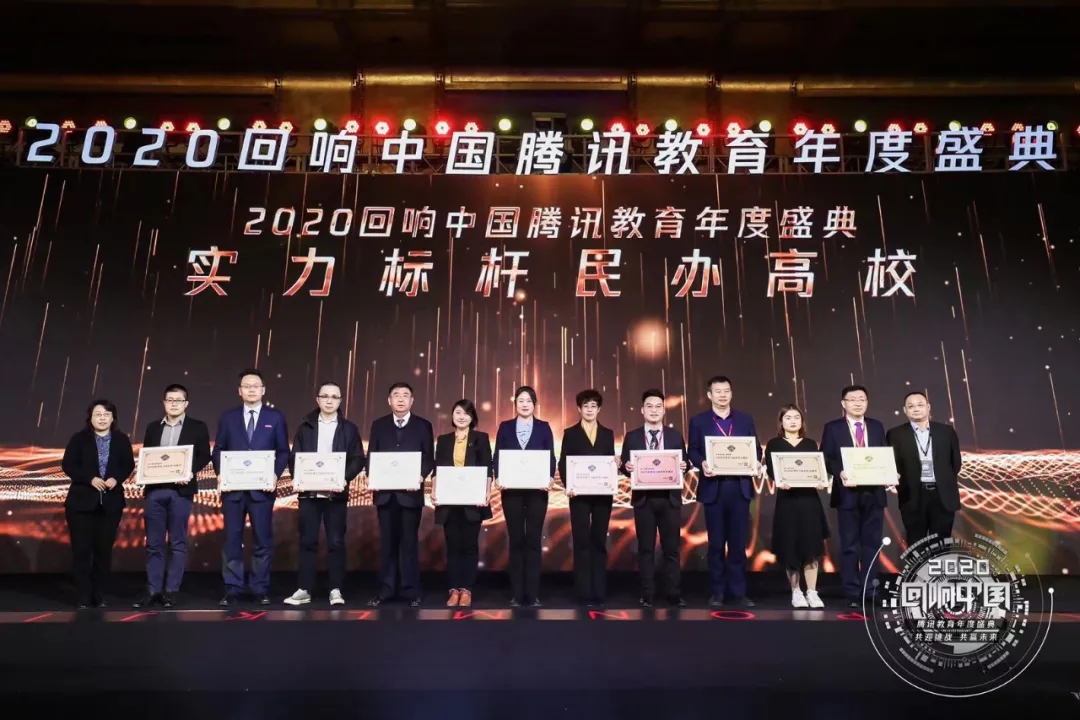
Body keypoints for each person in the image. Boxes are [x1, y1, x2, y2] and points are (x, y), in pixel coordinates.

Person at [212, 368, 290, 606]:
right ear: (240, 391)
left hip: (262, 491)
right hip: (233, 491)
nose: (251, 389)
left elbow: (283, 451)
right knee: (232, 541)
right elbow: (219, 450)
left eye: (256, 386)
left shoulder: (275, 418)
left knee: (262, 540)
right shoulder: (228, 417)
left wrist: (274, 475)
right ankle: (232, 588)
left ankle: (259, 588)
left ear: (263, 390)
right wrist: (222, 474)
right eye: (247, 386)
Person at [284, 382, 366, 607]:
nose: (329, 400)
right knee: (307, 541)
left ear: (340, 401)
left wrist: (344, 478)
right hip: (309, 494)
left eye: (334, 397)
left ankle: (335, 589)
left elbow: (358, 459)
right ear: (318, 399)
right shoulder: (305, 427)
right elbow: (295, 457)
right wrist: (299, 478)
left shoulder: (349, 429)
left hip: (335, 494)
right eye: (325, 396)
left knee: (336, 543)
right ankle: (304, 589)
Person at [133, 384, 211, 609]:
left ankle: (171, 592)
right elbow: (149, 457)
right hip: (155, 491)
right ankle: (153, 590)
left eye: (178, 400)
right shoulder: (153, 427)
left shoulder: (198, 427)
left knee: (178, 542)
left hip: (181, 492)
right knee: (154, 543)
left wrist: (189, 472)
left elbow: (204, 456)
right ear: (164, 403)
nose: (174, 404)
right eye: (170, 400)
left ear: (186, 403)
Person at [687, 375, 760, 609]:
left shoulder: (745, 419)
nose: (722, 395)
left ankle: (739, 592)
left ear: (731, 393)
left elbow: (755, 449)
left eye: (726, 391)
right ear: (709, 395)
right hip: (714, 489)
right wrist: (702, 463)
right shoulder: (698, 421)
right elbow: (693, 451)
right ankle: (717, 592)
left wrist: (756, 462)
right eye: (717, 391)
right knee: (716, 544)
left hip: (739, 488)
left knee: (738, 545)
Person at [61, 399, 135, 609]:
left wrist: (116, 478)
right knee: (82, 550)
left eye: (106, 415)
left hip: (110, 504)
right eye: (98, 414)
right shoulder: (79, 439)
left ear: (113, 418)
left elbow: (128, 464)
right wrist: (89, 479)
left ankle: (99, 594)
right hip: (81, 504)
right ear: (90, 418)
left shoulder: (121, 439)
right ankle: (83, 595)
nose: (102, 418)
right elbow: (68, 465)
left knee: (103, 551)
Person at [366, 382, 435, 607]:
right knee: (387, 543)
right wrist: (372, 477)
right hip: (385, 495)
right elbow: (372, 456)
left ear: (412, 401)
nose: (401, 399)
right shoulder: (379, 425)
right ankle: (386, 590)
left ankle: (410, 591)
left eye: (406, 395)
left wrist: (420, 476)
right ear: (389, 400)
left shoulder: (423, 425)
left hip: (410, 495)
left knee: (409, 543)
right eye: (396, 395)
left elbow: (428, 457)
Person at [819, 384, 888, 609]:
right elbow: (826, 458)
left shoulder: (876, 426)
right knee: (849, 545)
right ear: (843, 404)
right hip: (847, 493)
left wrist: (889, 472)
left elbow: (884, 455)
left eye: (862, 399)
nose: (858, 403)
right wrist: (839, 472)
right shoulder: (833, 428)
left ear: (867, 402)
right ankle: (851, 591)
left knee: (872, 544)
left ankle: (870, 591)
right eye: (852, 400)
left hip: (874, 493)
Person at [620, 389, 688, 608]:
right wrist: (627, 466)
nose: (654, 410)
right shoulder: (632, 437)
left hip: (670, 500)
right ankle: (647, 594)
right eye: (649, 406)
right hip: (644, 500)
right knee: (646, 549)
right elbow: (624, 466)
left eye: (658, 406)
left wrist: (684, 465)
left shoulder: (675, 435)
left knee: (672, 550)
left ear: (664, 410)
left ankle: (673, 594)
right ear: (642, 410)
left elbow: (685, 463)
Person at [493, 386, 556, 608]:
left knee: (533, 541)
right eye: (521, 400)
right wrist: (498, 476)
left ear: (535, 404)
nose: (525, 404)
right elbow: (498, 455)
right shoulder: (505, 427)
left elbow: (551, 457)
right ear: (515, 404)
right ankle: (517, 594)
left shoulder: (544, 427)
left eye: (529, 400)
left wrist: (550, 477)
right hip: (512, 492)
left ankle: (533, 593)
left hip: (537, 492)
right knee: (517, 540)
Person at [763, 405, 830, 609]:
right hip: (787, 502)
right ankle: (796, 592)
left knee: (811, 547)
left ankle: (812, 592)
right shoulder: (774, 444)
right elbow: (772, 470)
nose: (793, 421)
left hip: (810, 501)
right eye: (788, 417)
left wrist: (820, 480)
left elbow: (818, 468)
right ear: (781, 422)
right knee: (790, 547)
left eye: (796, 417)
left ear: (802, 421)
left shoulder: (810, 444)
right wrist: (779, 479)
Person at [558, 389, 617, 607]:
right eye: (586, 406)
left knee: (599, 541)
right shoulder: (570, 433)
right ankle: (583, 591)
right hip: (579, 496)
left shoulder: (608, 434)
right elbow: (563, 463)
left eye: (594, 406)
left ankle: (598, 590)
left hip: (602, 496)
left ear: (599, 409)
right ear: (579, 408)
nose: (590, 409)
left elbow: (610, 462)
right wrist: (569, 485)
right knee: (581, 541)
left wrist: (616, 466)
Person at [432, 399, 492, 607]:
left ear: (472, 417)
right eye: (458, 412)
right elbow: (437, 468)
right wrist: (434, 490)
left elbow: (487, 468)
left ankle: (466, 589)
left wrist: (486, 492)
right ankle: (453, 589)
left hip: (472, 502)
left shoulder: (481, 438)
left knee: (469, 546)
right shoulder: (444, 440)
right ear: (452, 416)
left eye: (466, 413)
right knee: (453, 546)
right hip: (449, 502)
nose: (461, 416)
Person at [887, 391, 962, 546]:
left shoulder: (946, 432)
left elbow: (956, 463)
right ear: (905, 410)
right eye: (911, 406)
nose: (916, 409)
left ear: (928, 407)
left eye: (920, 405)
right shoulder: (895, 434)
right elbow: (892, 464)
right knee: (916, 545)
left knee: (941, 544)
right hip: (912, 496)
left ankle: (939, 564)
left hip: (942, 496)